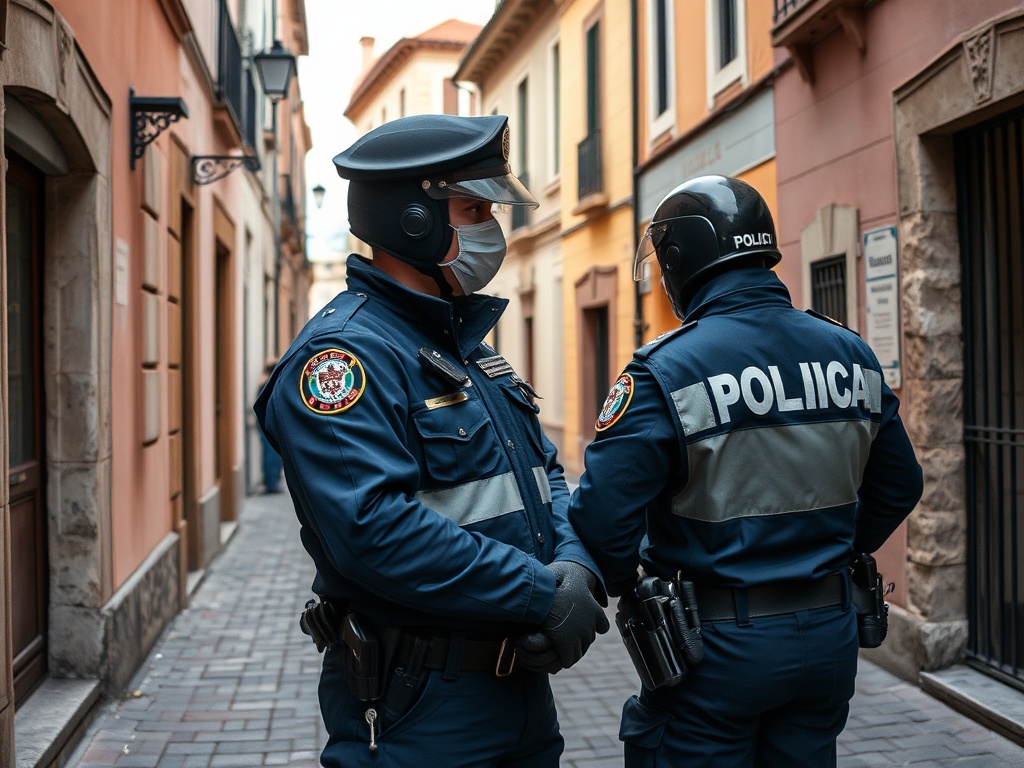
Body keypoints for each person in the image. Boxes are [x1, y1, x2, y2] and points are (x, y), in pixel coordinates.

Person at [253, 113, 609, 767]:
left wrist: (575, 566)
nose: (491, 228)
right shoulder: (343, 359)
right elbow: (373, 529)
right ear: (412, 220)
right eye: (474, 210)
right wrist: (540, 592)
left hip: (519, 693)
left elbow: (544, 473)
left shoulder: (464, 346)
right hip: (419, 706)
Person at [567, 175, 923, 767]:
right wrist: (828, 552)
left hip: (713, 648)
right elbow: (901, 484)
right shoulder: (851, 354)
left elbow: (603, 521)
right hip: (829, 637)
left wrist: (635, 582)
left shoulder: (665, 370)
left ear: (680, 261)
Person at [257, 357, 283, 493]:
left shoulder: (264, 382)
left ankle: (272, 482)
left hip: (267, 425)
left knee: (271, 455)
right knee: (272, 455)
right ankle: (272, 484)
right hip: (270, 426)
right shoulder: (268, 384)